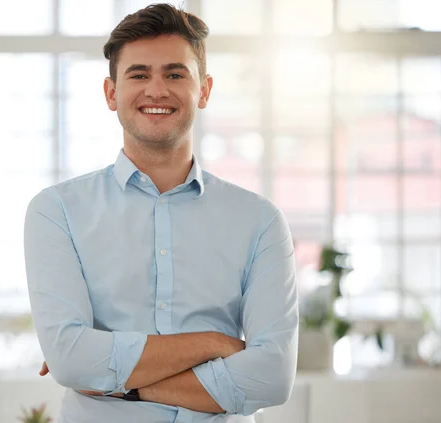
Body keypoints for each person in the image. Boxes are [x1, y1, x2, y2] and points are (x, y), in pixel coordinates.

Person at [24, 4, 298, 422]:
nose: (156, 90)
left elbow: (273, 377)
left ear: (203, 90)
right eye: (138, 74)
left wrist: (123, 384)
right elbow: (71, 360)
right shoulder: (56, 212)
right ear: (111, 93)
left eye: (175, 74)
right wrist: (215, 344)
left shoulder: (260, 222)